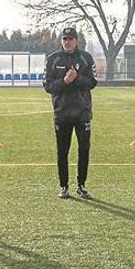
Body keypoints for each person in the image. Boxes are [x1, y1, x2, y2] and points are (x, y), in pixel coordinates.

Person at [43, 27, 97, 199]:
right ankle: (64, 186)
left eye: (70, 39)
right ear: (61, 41)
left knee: (84, 150)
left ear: (76, 41)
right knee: (62, 151)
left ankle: (81, 185)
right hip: (62, 113)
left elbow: (92, 82)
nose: (67, 42)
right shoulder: (53, 59)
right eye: (65, 39)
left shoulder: (86, 58)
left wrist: (77, 78)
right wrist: (65, 81)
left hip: (82, 113)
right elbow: (48, 86)